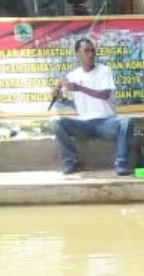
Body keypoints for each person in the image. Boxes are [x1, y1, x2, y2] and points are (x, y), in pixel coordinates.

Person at [49, 38, 131, 176]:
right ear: (78, 54)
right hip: (83, 124)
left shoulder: (105, 70)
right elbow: (59, 98)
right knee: (55, 122)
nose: (91, 54)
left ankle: (121, 163)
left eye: (93, 50)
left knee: (125, 122)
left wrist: (79, 87)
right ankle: (71, 162)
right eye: (86, 51)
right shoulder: (73, 75)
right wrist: (57, 89)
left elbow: (104, 95)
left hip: (106, 122)